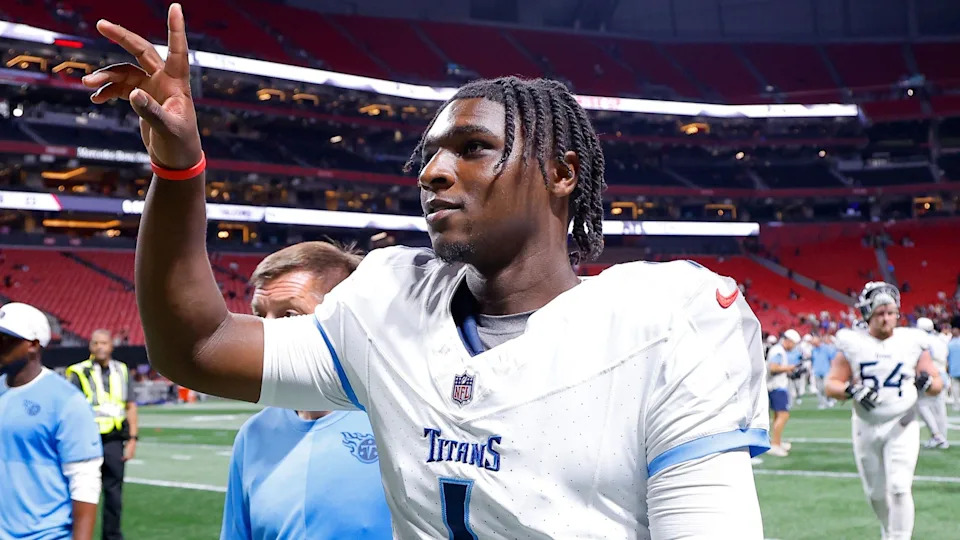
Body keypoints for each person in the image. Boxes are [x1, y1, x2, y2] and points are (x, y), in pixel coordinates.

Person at [86, 6, 770, 537]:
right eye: (432, 154)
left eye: (474, 148)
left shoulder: (665, 324)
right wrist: (178, 170)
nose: (434, 171)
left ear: (563, 173)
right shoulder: (387, 302)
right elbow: (196, 346)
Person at [221, 242, 392, 539]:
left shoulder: (399, 423)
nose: (266, 332)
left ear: (347, 320)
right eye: (260, 315)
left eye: (289, 314)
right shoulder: (254, 435)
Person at [825, 282, 942, 540]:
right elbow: (831, 384)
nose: (886, 318)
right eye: (880, 313)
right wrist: (851, 390)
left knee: (900, 487)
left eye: (890, 312)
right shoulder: (853, 343)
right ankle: (890, 531)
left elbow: (936, 383)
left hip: (903, 421)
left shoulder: (911, 341)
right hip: (865, 423)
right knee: (875, 494)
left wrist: (928, 383)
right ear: (868, 314)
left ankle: (899, 537)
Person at [0, 302, 103, 540]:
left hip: (45, 535)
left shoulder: (67, 401)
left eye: (8, 339)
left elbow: (84, 481)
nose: (0, 346)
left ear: (33, 346)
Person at [65, 330, 139, 540]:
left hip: (114, 440)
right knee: (82, 491)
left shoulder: (121, 370)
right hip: (87, 440)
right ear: (90, 346)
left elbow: (130, 406)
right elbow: (71, 408)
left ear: (111, 346)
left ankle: (112, 537)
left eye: (104, 343)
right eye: (96, 343)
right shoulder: (78, 371)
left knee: (114, 495)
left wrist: (133, 439)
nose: (100, 347)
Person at [915, 317, 949, 448]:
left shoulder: (923, 341)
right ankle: (942, 437)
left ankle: (937, 435)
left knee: (922, 405)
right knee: (940, 409)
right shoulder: (940, 339)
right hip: (943, 374)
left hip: (929, 375)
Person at [766, 329, 801, 456]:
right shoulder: (778, 351)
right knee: (783, 415)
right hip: (777, 386)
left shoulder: (778, 350)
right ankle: (775, 445)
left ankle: (776, 442)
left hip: (775, 386)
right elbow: (774, 368)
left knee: (777, 415)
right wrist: (790, 368)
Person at [810, 334, 837, 409]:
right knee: (819, 389)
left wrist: (833, 370)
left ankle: (829, 400)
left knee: (826, 388)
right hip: (817, 372)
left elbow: (831, 359)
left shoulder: (826, 348)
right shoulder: (813, 350)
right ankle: (822, 403)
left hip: (826, 371)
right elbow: (813, 360)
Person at [949, 327, 960, 411]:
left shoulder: (950, 344)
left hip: (954, 369)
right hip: (955, 369)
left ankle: (956, 405)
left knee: (955, 388)